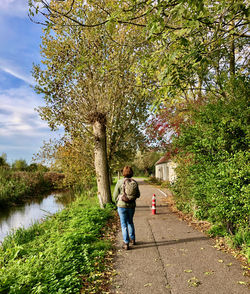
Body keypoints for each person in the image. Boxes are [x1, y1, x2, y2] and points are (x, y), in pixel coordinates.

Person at [112, 166, 140, 250]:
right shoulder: (134, 182)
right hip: (131, 206)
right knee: (130, 222)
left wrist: (116, 202)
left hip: (121, 206)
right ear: (131, 173)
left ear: (123, 173)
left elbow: (114, 195)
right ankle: (133, 239)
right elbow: (138, 195)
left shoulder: (120, 182)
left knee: (123, 224)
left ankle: (126, 243)